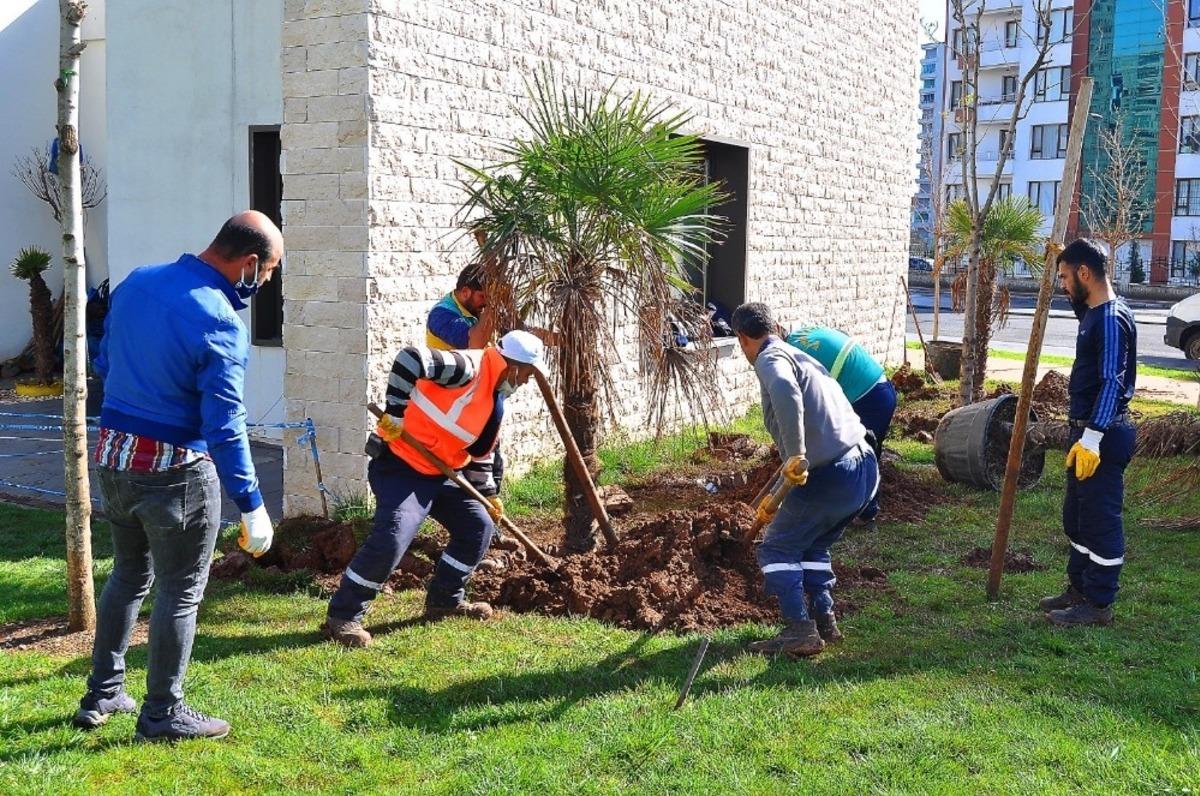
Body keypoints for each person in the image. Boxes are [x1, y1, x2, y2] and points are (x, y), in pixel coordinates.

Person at [75, 211, 283, 742]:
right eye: (267, 276)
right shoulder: (218, 320)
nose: (262, 286)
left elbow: (104, 360)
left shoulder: (137, 281)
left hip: (113, 459)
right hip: (176, 475)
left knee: (128, 576)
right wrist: (252, 503)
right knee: (180, 591)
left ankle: (102, 694)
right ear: (250, 263)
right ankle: (162, 713)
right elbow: (225, 425)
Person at [320, 330, 547, 648]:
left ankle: (444, 601)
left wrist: (490, 495)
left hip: (443, 474)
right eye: (527, 375)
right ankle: (342, 616)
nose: (525, 382)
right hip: (401, 465)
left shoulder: (494, 402)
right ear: (514, 365)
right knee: (394, 535)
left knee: (477, 526)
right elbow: (410, 359)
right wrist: (395, 413)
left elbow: (479, 454)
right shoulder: (467, 367)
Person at [730, 303, 879, 657]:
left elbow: (784, 389)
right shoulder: (798, 354)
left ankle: (799, 630)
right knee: (813, 546)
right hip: (863, 465)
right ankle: (824, 619)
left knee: (776, 547)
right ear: (776, 325)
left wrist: (795, 453)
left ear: (741, 339)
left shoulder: (770, 359)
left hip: (832, 474)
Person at [1040, 239, 1137, 627]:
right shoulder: (1093, 312)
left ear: (1085, 274)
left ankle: (1098, 605)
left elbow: (1112, 382)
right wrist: (1064, 252)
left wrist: (1093, 437)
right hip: (1083, 434)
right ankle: (1078, 588)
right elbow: (1081, 300)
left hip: (1104, 435)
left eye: (1065, 276)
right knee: (1076, 518)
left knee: (1100, 521)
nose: (1062, 285)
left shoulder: (1112, 318)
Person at [785, 324, 896, 521]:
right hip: (882, 388)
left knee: (859, 456)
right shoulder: (802, 334)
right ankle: (852, 508)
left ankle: (861, 512)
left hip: (868, 399)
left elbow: (808, 401)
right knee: (863, 453)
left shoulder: (791, 356)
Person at [426, 264, 495, 350]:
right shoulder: (440, 315)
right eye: (482, 296)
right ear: (465, 292)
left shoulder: (474, 310)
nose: (486, 302)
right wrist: (490, 312)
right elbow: (475, 345)